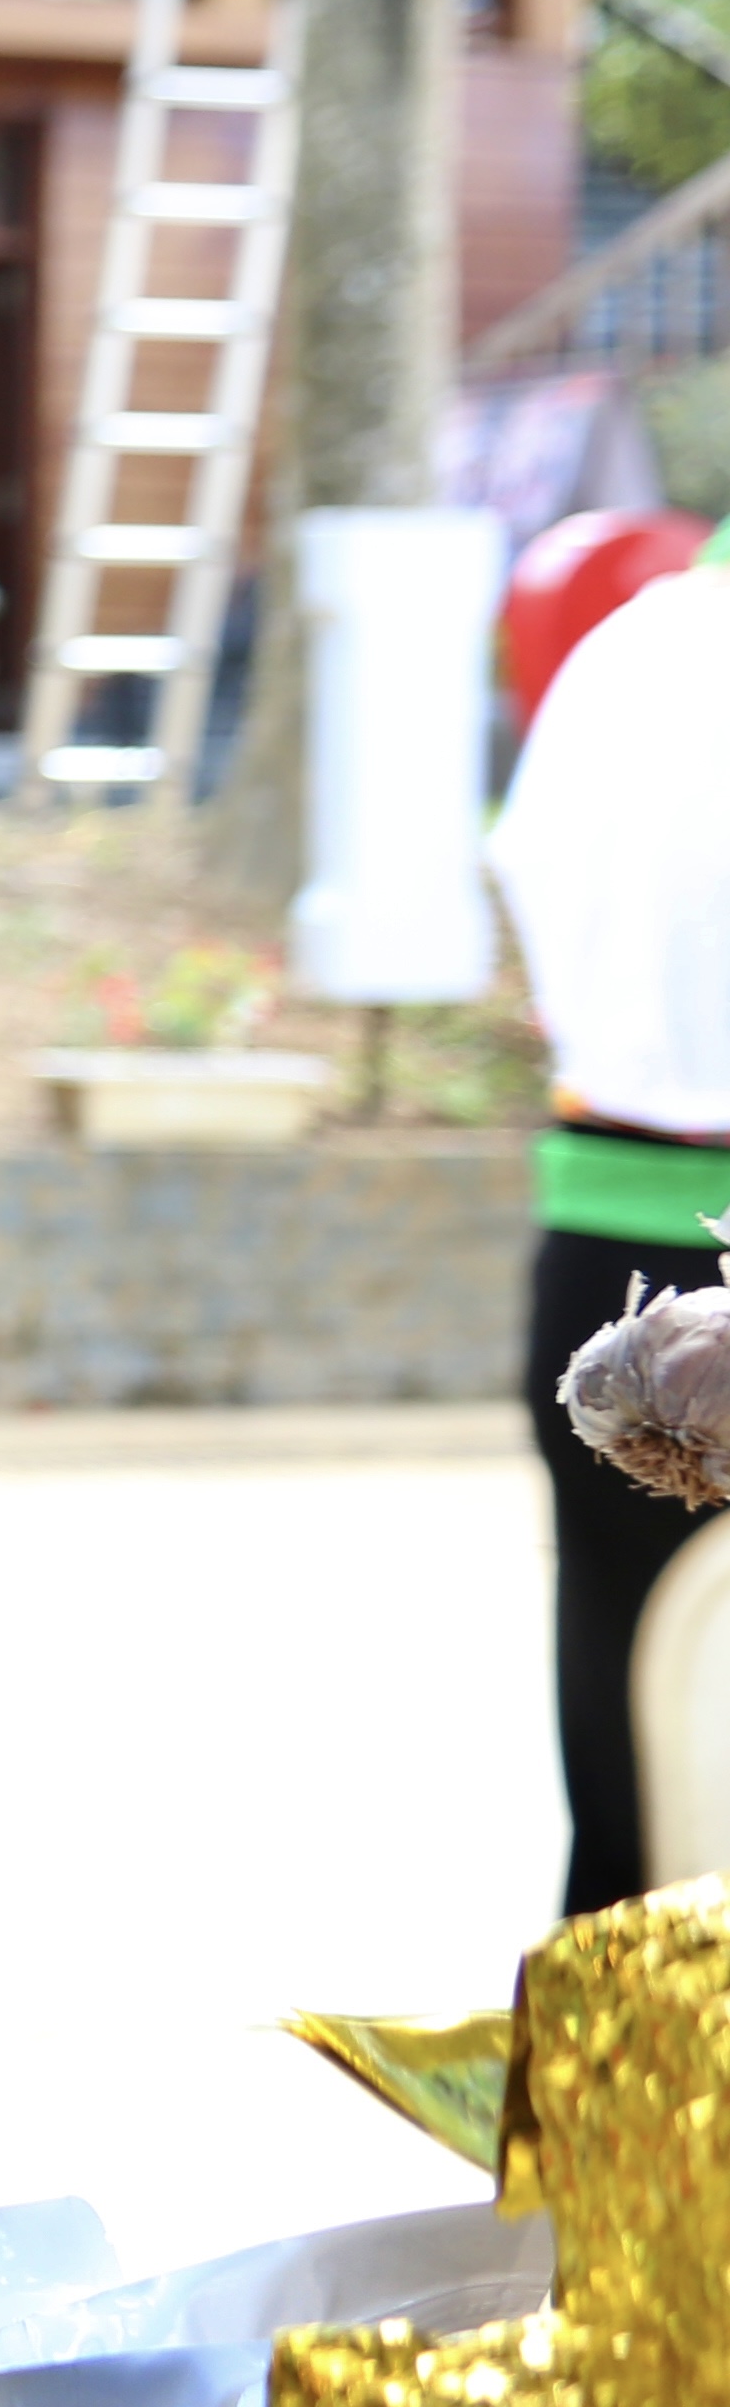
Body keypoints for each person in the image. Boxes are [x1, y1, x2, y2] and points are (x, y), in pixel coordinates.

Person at [486, 517, 730, 1915]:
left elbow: (528, 885)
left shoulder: (623, 651)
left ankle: (611, 2132)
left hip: (610, 1249)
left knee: (637, 1752)